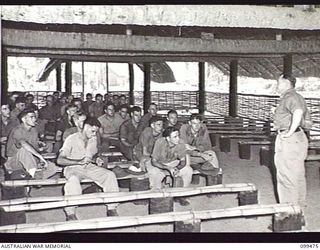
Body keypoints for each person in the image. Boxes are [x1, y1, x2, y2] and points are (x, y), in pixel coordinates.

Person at [57, 117, 120, 221]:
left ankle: (111, 207)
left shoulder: (93, 139)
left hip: (89, 167)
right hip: (73, 168)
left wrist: (96, 160)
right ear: (85, 127)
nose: (95, 134)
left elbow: (91, 155)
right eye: (93, 131)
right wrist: (78, 162)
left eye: (96, 132)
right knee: (73, 181)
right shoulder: (71, 139)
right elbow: (59, 160)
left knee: (110, 175)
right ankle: (70, 213)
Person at [273, 74, 311, 210]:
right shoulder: (297, 96)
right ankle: (299, 205)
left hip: (290, 139)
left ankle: (289, 211)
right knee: (297, 173)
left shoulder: (290, 97)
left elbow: (298, 112)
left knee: (286, 175)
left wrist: (288, 132)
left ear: (286, 83)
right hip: (299, 137)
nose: (277, 85)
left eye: (279, 83)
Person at [5, 109, 60, 179]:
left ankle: (35, 174)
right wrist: (39, 156)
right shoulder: (17, 130)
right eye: (31, 117)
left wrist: (39, 160)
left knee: (52, 167)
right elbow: (23, 143)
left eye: (35, 117)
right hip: (14, 162)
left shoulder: (34, 131)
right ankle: (34, 173)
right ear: (24, 119)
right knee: (23, 150)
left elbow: (34, 149)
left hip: (28, 161)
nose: (34, 119)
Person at [146, 127, 193, 196]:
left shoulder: (181, 143)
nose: (178, 138)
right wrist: (167, 168)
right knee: (154, 174)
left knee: (188, 170)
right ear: (168, 138)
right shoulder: (160, 142)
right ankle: (156, 195)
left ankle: (182, 193)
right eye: (175, 137)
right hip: (158, 164)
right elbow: (154, 162)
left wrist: (177, 168)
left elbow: (183, 161)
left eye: (178, 136)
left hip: (172, 163)